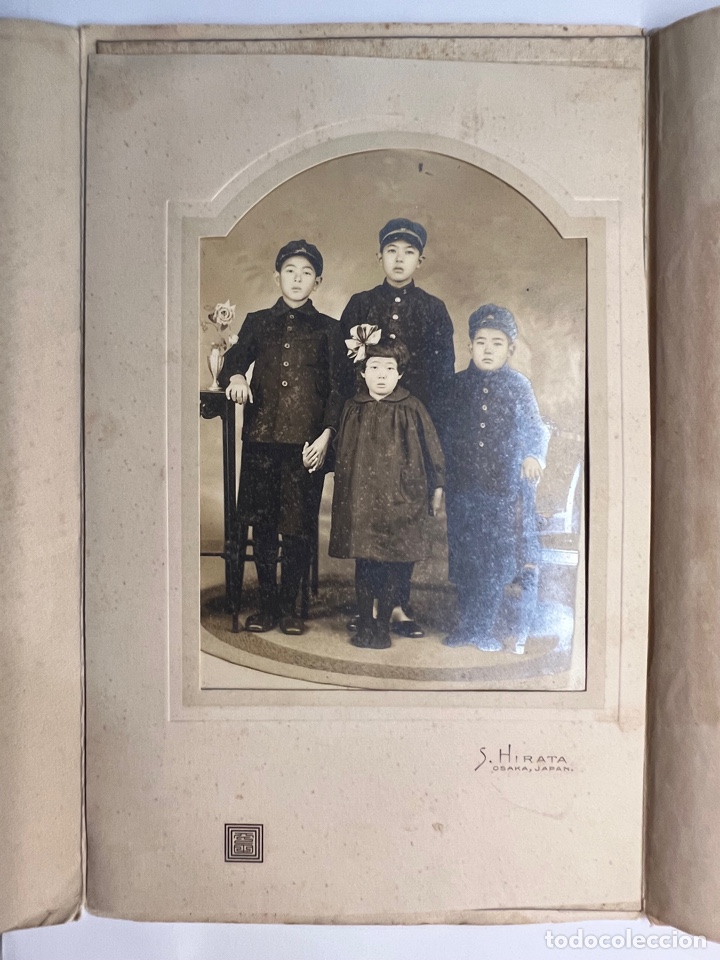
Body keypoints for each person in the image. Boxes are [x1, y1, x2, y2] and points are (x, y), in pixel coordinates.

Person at [221, 240, 345, 636]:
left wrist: (327, 436)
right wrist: (238, 376)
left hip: (305, 445)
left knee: (297, 527)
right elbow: (234, 362)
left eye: (305, 273)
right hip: (261, 439)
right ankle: (268, 605)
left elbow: (337, 389)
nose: (297, 278)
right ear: (277, 277)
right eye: (289, 271)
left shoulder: (329, 328)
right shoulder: (258, 321)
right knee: (263, 525)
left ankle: (292, 607)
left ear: (318, 281)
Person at [339, 218, 455, 637]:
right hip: (368, 429)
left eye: (408, 252)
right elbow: (342, 372)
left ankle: (399, 605)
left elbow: (442, 382)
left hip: (411, 431)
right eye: (392, 251)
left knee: (405, 515)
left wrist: (431, 443)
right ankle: (367, 606)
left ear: (419, 259)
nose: (399, 259)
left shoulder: (433, 310)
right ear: (380, 256)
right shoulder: (359, 304)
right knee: (368, 515)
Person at [443, 304, 549, 651]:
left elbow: (535, 429)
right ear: (469, 347)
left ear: (511, 349)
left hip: (501, 489)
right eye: (481, 342)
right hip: (462, 487)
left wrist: (534, 455)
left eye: (497, 343)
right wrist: (441, 481)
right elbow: (444, 434)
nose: (488, 350)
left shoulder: (519, 386)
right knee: (464, 556)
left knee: (492, 559)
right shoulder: (456, 386)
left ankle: (484, 629)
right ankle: (464, 626)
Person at [329, 337, 445, 649]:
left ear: (400, 374)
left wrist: (437, 485)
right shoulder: (353, 407)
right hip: (361, 500)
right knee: (365, 562)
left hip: (402, 498)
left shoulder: (412, 407)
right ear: (363, 373)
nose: (382, 374)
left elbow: (432, 448)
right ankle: (366, 622)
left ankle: (382, 626)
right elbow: (340, 452)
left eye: (389, 368)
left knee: (395, 560)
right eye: (374, 367)